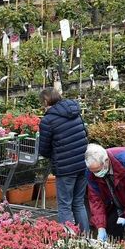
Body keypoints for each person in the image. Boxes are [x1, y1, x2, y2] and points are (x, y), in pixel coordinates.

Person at [38, 88, 90, 234]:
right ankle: (86, 238)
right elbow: (85, 133)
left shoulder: (48, 120)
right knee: (78, 203)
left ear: (46, 101)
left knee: (65, 205)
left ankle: (68, 239)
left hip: (65, 168)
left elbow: (44, 149)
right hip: (82, 163)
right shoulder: (74, 110)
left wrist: (55, 154)